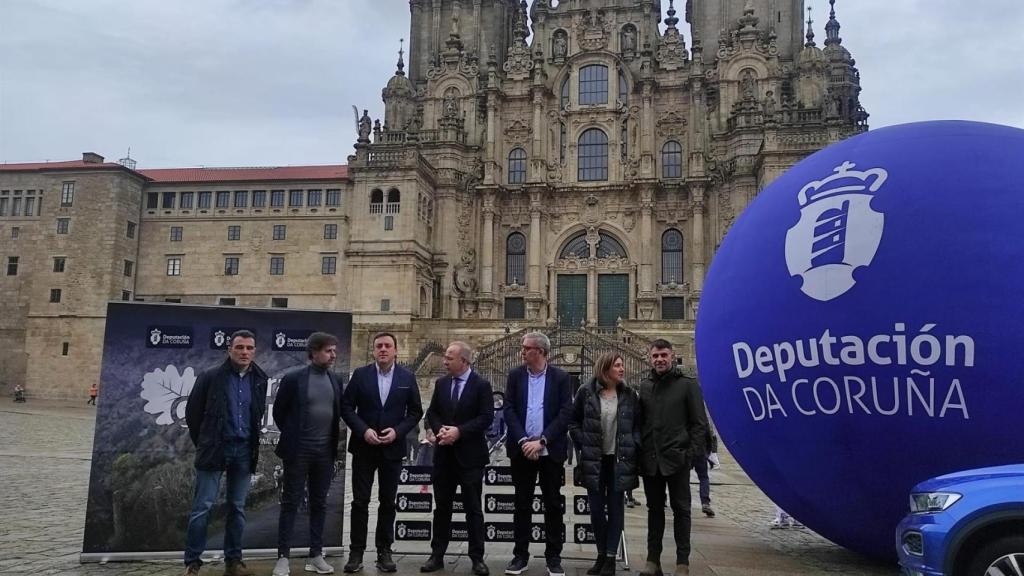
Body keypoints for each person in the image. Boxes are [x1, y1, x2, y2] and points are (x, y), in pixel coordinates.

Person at [182, 329, 268, 576]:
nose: (244, 352)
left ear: (254, 351)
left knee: (238, 508)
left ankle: (233, 561)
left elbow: (256, 414)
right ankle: (193, 563)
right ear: (229, 349)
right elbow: (193, 414)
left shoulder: (259, 378)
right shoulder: (210, 377)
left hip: (243, 450)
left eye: (249, 348)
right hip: (215, 448)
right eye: (239, 347)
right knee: (203, 507)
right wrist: (206, 443)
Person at [340, 333, 424, 573]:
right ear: (373, 351)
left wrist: (397, 432)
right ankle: (356, 551)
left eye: (388, 346)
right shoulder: (361, 375)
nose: (383, 350)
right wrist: (363, 430)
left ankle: (384, 550)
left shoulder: (407, 376)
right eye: (379, 346)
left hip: (392, 448)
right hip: (364, 447)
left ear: (396, 351)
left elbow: (415, 412)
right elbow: (346, 406)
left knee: (387, 501)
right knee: (359, 501)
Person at [271, 332, 344, 576]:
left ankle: (316, 555)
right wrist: (295, 437)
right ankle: (283, 558)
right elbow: (280, 413)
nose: (333, 355)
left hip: (324, 453)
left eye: (334, 351)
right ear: (313, 352)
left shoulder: (336, 380)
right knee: (291, 503)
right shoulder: (294, 379)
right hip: (298, 451)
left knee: (319, 503)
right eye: (328, 351)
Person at [502, 332, 573, 576]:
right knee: (522, 504)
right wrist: (523, 440)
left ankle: (553, 557)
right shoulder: (515, 376)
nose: (522, 351)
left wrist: (542, 441)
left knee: (552, 504)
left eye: (526, 348)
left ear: (540, 351)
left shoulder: (561, 377)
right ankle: (520, 555)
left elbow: (566, 413)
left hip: (549, 451)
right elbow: (508, 409)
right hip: (522, 450)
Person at [421, 341, 494, 576]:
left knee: (473, 508)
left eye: (449, 358)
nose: (444, 361)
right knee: (442, 508)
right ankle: (437, 555)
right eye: (445, 357)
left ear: (464, 361)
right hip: (444, 456)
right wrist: (439, 429)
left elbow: (486, 418)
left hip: (470, 457)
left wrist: (459, 431)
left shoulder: (481, 385)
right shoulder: (442, 383)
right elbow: (432, 412)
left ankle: (477, 557)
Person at [637, 340, 708, 576]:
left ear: (673, 356)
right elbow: (641, 423)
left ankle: (682, 563)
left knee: (682, 510)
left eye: (663, 355)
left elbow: (699, 425)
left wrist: (689, 456)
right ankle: (652, 560)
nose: (659, 359)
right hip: (652, 461)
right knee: (654, 510)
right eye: (655, 355)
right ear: (650, 357)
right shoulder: (644, 386)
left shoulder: (688, 386)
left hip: (678, 460)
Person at [569, 352, 641, 576]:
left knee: (617, 508)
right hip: (595, 460)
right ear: (605, 368)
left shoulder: (629, 395)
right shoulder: (586, 392)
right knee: (597, 510)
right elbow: (574, 422)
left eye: (622, 365)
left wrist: (634, 443)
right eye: (617, 365)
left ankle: (610, 557)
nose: (622, 369)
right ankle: (601, 554)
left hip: (618, 460)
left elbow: (638, 425)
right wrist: (584, 442)